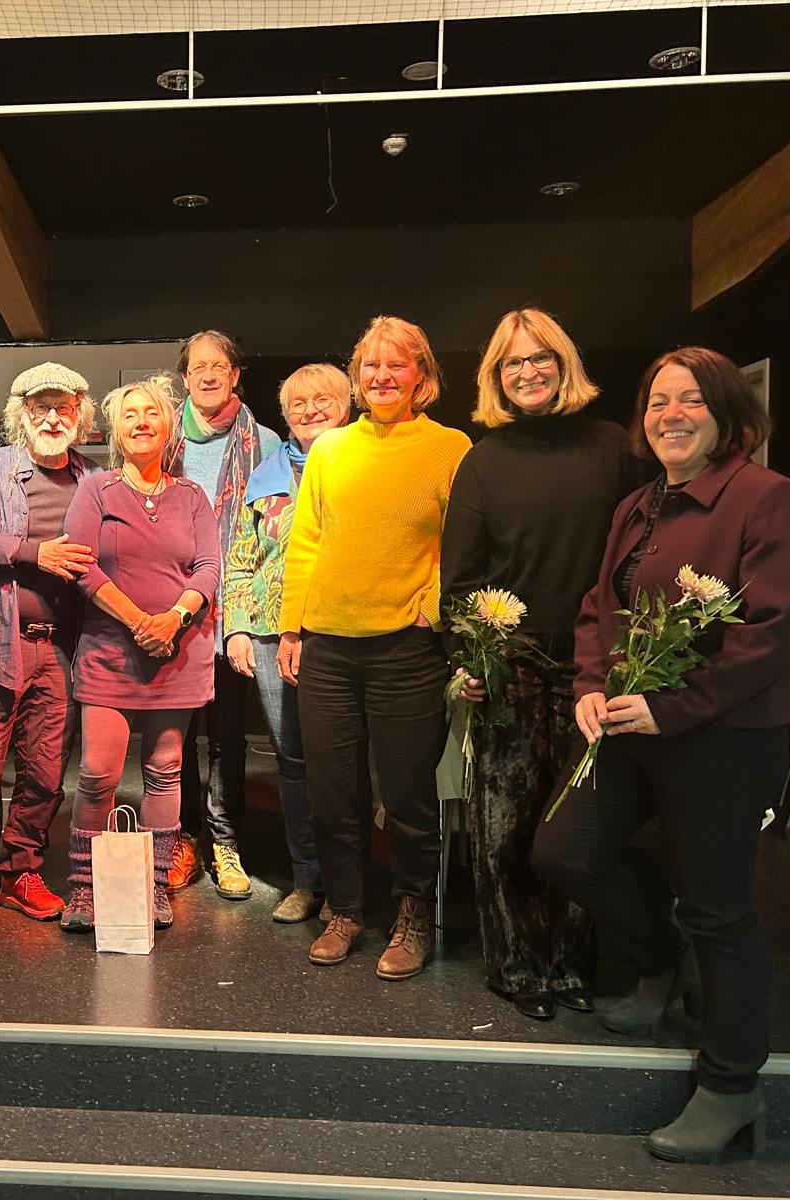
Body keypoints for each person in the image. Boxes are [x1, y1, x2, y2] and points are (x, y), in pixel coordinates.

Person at [534, 347, 790, 1162]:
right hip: (630, 721)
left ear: (727, 413)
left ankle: (731, 1085)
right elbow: (600, 607)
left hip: (724, 735)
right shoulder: (638, 505)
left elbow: (776, 629)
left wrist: (677, 707)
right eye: (659, 402)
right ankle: (657, 962)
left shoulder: (766, 497)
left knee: (718, 908)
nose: (671, 415)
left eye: (691, 400)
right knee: (564, 852)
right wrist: (590, 684)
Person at [440, 308, 648, 1021]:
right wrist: (471, 660)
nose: (528, 372)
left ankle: (570, 965)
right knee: (505, 828)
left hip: (597, 667)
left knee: (578, 829)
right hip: (512, 665)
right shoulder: (482, 460)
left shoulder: (617, 448)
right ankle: (516, 967)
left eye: (541, 359)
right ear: (496, 377)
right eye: (513, 363)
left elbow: (642, 558)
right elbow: (461, 579)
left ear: (564, 365)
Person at [276, 315, 470, 978]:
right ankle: (346, 910)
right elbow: (306, 540)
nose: (382, 376)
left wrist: (435, 603)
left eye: (397, 364)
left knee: (409, 799)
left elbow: (462, 539)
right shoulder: (331, 449)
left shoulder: (448, 447)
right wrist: (292, 627)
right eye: (371, 366)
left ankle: (412, 914)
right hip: (328, 647)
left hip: (406, 652)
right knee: (333, 794)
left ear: (422, 376)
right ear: (357, 378)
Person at [61, 376, 220, 933]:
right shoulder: (96, 490)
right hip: (109, 653)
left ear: (168, 427)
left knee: (165, 770)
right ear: (116, 431)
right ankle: (85, 890)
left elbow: (209, 567)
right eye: (129, 414)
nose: (141, 421)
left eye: (151, 412)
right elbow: (81, 564)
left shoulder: (192, 497)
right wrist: (138, 622)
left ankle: (154, 886)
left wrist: (173, 619)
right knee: (97, 774)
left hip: (178, 653)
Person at [0, 363, 95, 941]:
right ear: (21, 414)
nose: (52, 418)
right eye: (40, 407)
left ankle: (20, 872)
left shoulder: (92, 479)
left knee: (45, 774)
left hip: (60, 651)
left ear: (80, 415)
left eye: (63, 407)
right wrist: (36, 553)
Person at [222, 362, 350, 924]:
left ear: (347, 406)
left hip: (342, 632)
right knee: (291, 760)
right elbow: (242, 557)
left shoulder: (360, 463)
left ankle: (349, 888)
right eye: (298, 403)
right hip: (272, 633)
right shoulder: (266, 474)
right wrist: (237, 627)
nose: (310, 410)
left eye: (323, 400)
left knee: (343, 761)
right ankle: (307, 880)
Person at [169, 330, 279, 899]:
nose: (208, 375)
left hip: (232, 609)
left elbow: (269, 530)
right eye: (198, 367)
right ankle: (183, 837)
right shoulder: (162, 437)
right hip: (173, 606)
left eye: (219, 366)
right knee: (175, 735)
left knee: (228, 736)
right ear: (185, 377)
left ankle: (226, 841)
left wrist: (239, 612)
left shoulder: (265, 442)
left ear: (235, 375)